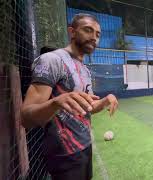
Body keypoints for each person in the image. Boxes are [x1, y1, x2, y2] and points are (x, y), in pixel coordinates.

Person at [21, 13, 118, 180]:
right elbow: (26, 118)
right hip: (63, 154)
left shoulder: (84, 69)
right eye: (88, 30)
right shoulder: (52, 60)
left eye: (98, 34)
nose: (94, 37)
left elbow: (87, 107)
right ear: (72, 32)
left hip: (84, 147)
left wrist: (105, 101)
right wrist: (56, 102)